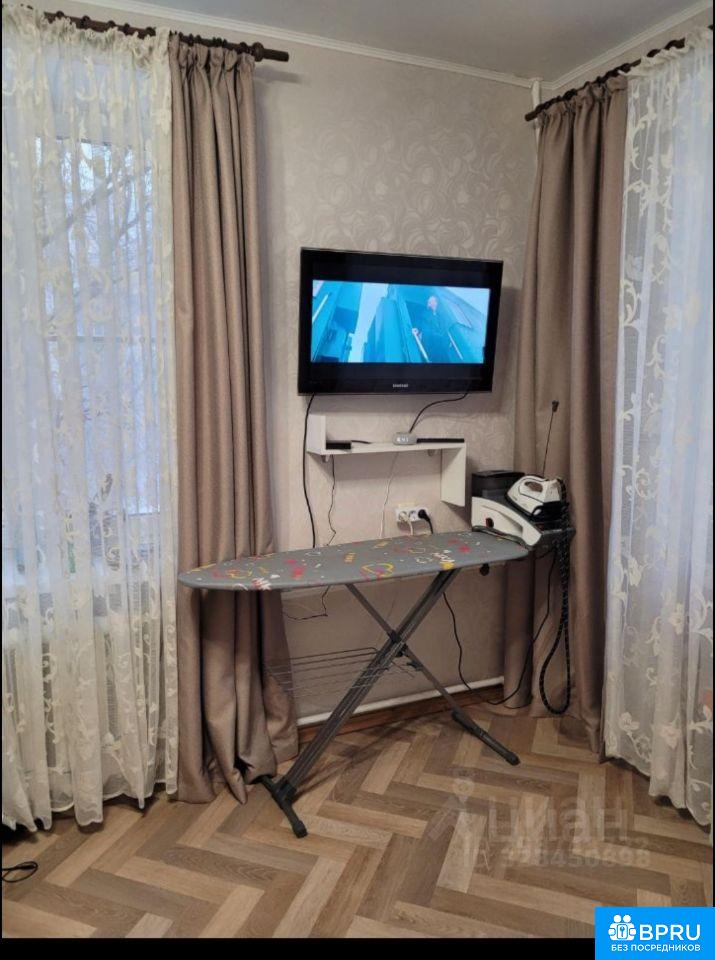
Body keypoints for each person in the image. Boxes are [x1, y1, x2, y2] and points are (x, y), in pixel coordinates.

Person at [411, 294, 458, 362]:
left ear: (436, 303)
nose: (429, 303)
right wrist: (417, 329)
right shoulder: (425, 314)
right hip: (431, 344)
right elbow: (422, 324)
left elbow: (444, 329)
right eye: (428, 302)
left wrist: (446, 340)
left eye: (431, 301)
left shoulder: (440, 316)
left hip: (441, 346)